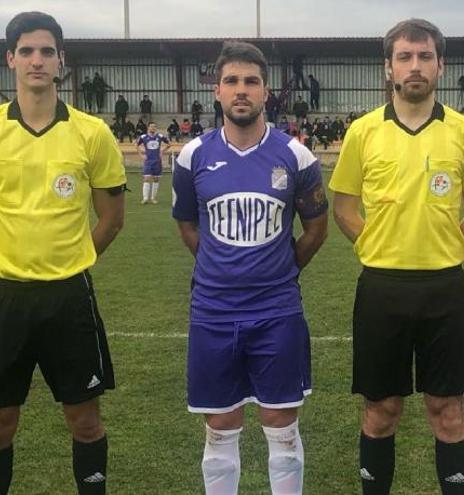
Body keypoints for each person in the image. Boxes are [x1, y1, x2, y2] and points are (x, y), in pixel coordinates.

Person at [328, 18, 464, 495]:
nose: (415, 66)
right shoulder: (363, 132)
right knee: (381, 411)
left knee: (448, 409)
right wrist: (375, 241)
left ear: (440, 65)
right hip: (381, 288)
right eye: (405, 57)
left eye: (424, 57)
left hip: (446, 288)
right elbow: (343, 206)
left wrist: (448, 243)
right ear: (389, 68)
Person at [172, 40, 328, 495]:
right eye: (232, 81)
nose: (242, 90)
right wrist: (218, 267)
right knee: (220, 424)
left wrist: (280, 271)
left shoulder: (296, 156)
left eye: (251, 82)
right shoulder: (192, 156)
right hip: (213, 311)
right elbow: (186, 224)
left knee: (281, 421)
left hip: (276, 310)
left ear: (266, 92)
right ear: (217, 91)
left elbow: (316, 229)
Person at [0, 12, 126, 495]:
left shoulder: (91, 132)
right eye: (27, 51)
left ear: (62, 63)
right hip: (6, 299)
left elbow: (111, 218)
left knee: (85, 421)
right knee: (2, 421)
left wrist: (73, 258)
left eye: (47, 51)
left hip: (69, 298)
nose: (37, 60)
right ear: (11, 58)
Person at [136, 121, 170, 204]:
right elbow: (136, 145)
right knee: (146, 178)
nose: (153, 128)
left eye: (154, 126)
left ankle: (153, 198)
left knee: (156, 179)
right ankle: (145, 198)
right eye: (151, 126)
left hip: (157, 161)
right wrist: (141, 155)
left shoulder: (160, 136)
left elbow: (169, 144)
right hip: (148, 161)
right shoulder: (143, 137)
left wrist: (162, 151)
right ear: (148, 128)